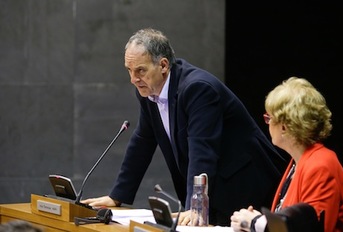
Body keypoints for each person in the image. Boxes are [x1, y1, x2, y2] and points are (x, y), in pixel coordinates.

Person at [81, 28, 286, 226]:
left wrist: (194, 206)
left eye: (140, 71)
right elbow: (143, 141)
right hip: (214, 186)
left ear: (163, 65)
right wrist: (117, 196)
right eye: (129, 70)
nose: (133, 79)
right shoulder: (148, 90)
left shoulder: (197, 89)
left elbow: (202, 150)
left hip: (244, 185)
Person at [230, 77, 343, 231]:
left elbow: (312, 228)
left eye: (269, 118)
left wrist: (257, 223)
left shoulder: (321, 165)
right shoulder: (298, 160)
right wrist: (259, 223)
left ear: (284, 127)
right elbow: (292, 223)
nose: (267, 123)